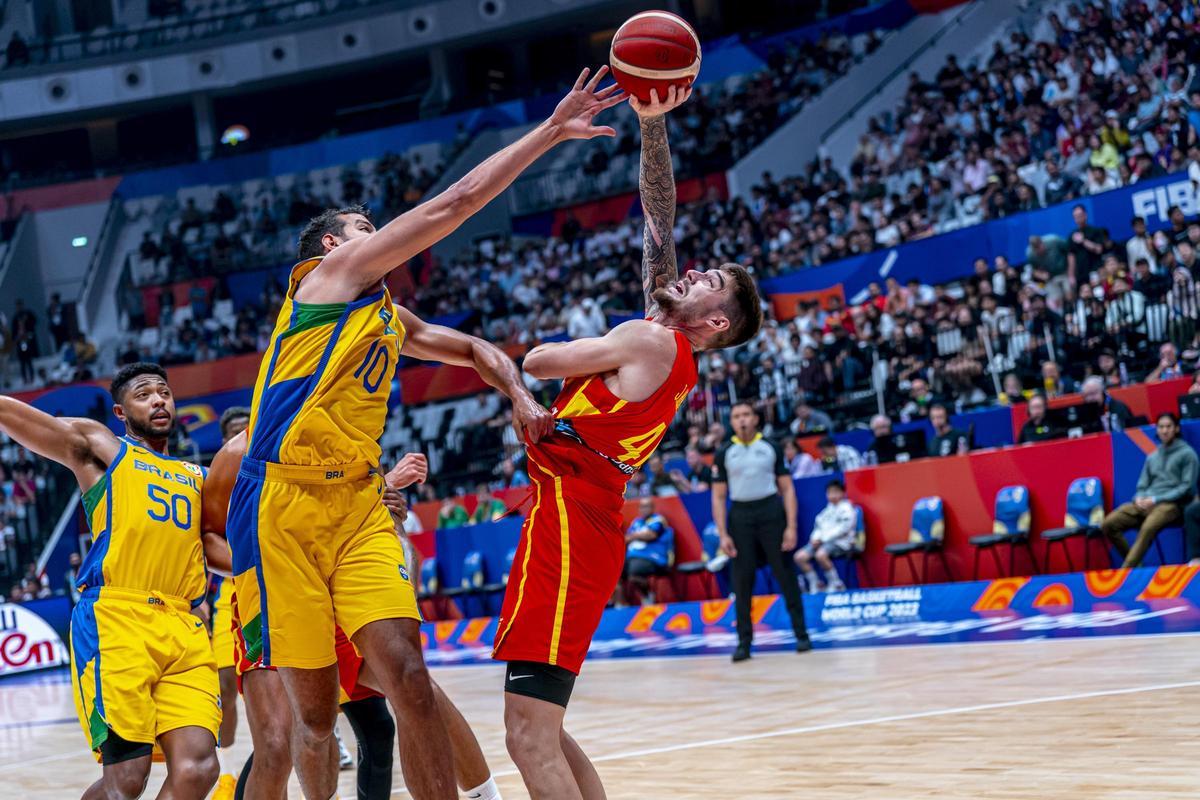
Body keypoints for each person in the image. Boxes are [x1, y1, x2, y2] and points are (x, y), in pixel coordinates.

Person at [225, 67, 622, 800]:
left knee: (407, 675)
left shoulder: (386, 317)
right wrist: (550, 130)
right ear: (329, 247)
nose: (377, 237)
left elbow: (473, 348)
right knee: (316, 718)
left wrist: (517, 395)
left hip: (357, 507)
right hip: (280, 511)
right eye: (365, 229)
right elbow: (459, 202)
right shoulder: (327, 279)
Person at [493, 85, 765, 799]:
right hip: (578, 512)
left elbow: (539, 361)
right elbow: (659, 220)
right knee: (541, 730)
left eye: (709, 283)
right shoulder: (667, 349)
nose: (694, 272)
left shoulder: (649, 339)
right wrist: (652, 125)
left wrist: (530, 389)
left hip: (572, 522)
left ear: (712, 325)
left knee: (527, 736)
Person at [205, 436, 504, 800]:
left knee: (412, 689)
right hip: (272, 594)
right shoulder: (238, 453)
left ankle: (486, 795)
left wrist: (385, 499)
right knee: (284, 739)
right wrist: (260, 562)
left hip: (341, 587)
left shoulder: (346, 432)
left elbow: (369, 513)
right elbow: (209, 538)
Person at [0, 362, 229, 798]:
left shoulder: (198, 477)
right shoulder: (104, 451)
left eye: (163, 391)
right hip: (117, 619)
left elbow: (217, 552)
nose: (158, 399)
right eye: (144, 394)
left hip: (183, 625)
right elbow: (27, 422)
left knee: (199, 768)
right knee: (126, 780)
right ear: (121, 412)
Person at [711, 402, 811, 663]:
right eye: (736, 416)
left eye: (745, 415)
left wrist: (791, 526)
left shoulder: (771, 447)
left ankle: (801, 634)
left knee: (785, 574)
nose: (741, 420)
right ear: (730, 422)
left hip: (770, 512)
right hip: (740, 516)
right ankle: (744, 642)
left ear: (755, 419)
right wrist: (723, 533)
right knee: (742, 581)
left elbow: (787, 489)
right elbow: (719, 497)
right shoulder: (724, 453)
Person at [209, 406, 250, 799]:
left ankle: (331, 737)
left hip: (286, 582)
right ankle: (229, 767)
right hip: (231, 590)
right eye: (235, 432)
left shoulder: (275, 460)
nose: (243, 436)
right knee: (225, 684)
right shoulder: (215, 479)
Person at [1100, 413, 1198, 568]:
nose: (1164, 430)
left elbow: (1187, 487)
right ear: (1157, 429)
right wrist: (1139, 498)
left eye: (1168, 426)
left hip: (1172, 505)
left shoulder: (1187, 454)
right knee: (1109, 523)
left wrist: (1155, 500)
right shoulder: (1153, 456)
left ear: (1176, 429)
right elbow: (1142, 485)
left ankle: (1126, 572)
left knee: (1148, 526)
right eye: (1161, 427)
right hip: (1146, 503)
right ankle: (1136, 566)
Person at [793, 479, 856, 593]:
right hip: (821, 542)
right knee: (799, 557)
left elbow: (843, 529)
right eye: (830, 492)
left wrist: (823, 539)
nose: (832, 495)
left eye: (836, 492)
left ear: (843, 493)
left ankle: (836, 583)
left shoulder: (847, 509)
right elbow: (818, 527)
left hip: (840, 543)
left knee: (820, 555)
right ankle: (816, 584)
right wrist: (815, 539)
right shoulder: (826, 511)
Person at [616, 497, 673, 606]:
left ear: (652, 508)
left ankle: (648, 596)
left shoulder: (659, 520)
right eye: (642, 507)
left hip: (652, 557)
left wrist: (634, 536)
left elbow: (651, 535)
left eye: (647, 506)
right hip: (632, 557)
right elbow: (626, 539)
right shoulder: (636, 522)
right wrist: (636, 536)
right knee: (614, 573)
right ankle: (621, 605)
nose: (644, 509)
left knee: (634, 574)